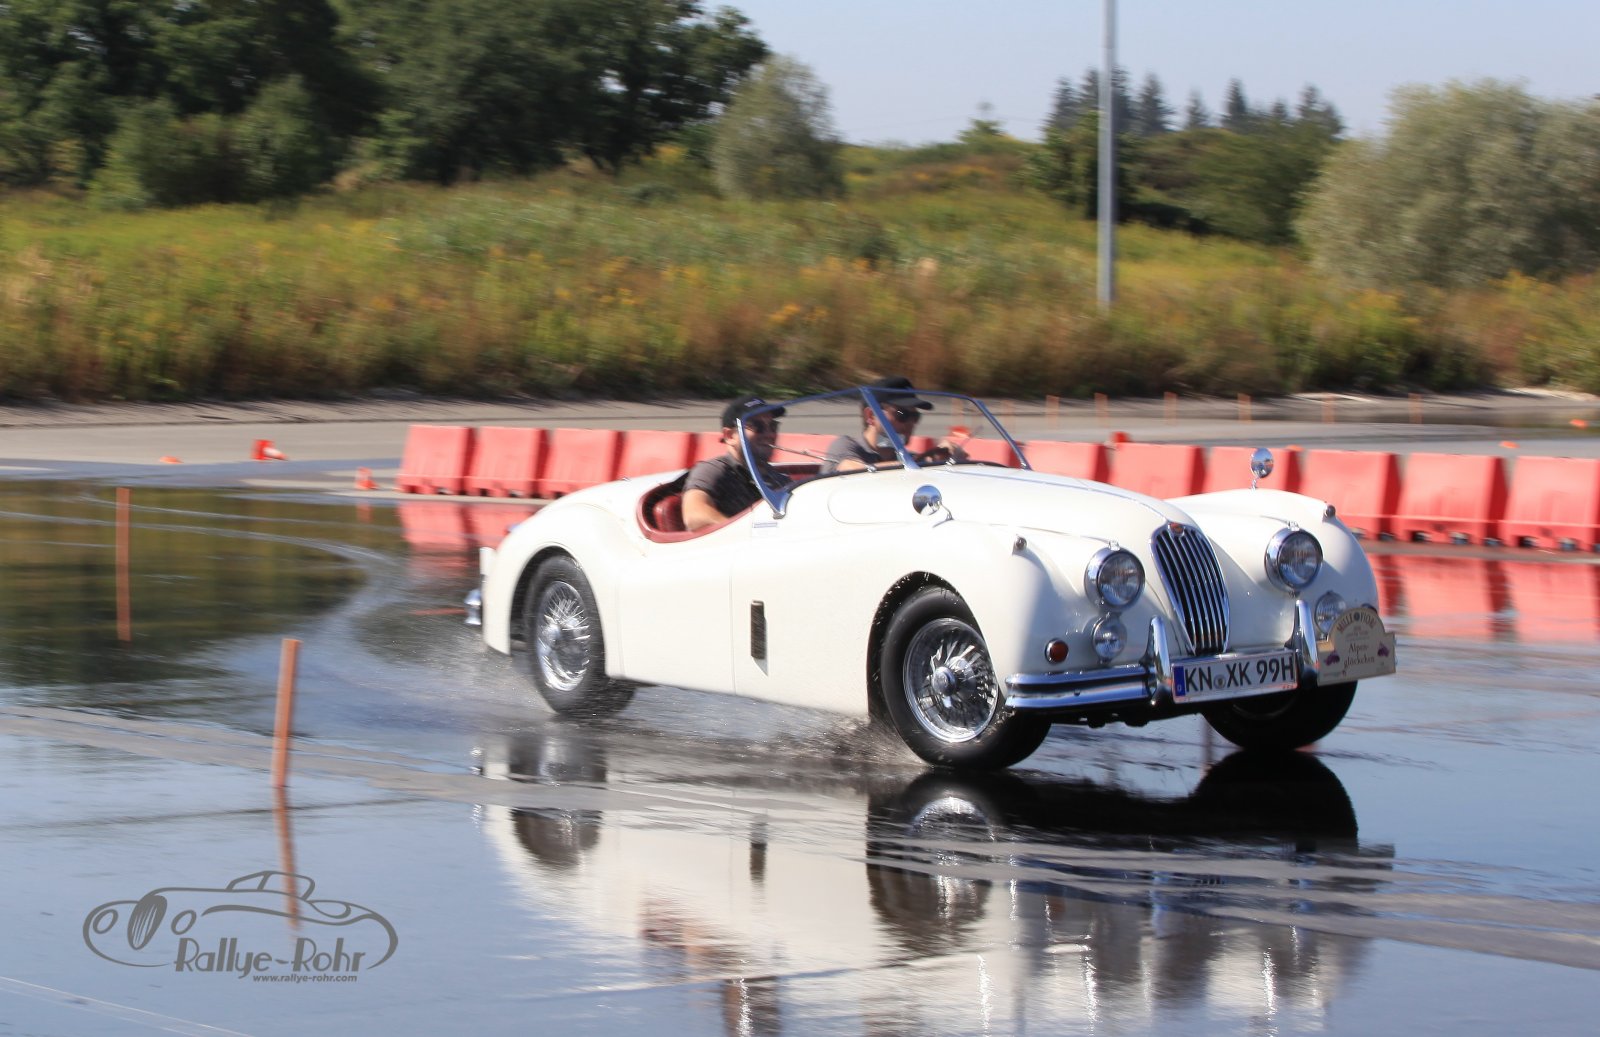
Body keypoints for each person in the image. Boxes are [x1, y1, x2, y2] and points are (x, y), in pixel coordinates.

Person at [682, 395, 788, 531]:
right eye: (758, 426)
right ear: (730, 436)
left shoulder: (778, 478)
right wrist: (745, 534)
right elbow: (695, 516)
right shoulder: (713, 471)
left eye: (773, 426)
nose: (769, 434)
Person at [821, 376, 963, 474]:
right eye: (902, 414)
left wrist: (946, 459)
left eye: (915, 416)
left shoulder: (906, 457)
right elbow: (853, 469)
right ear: (871, 416)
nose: (910, 423)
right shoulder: (845, 446)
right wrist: (918, 463)